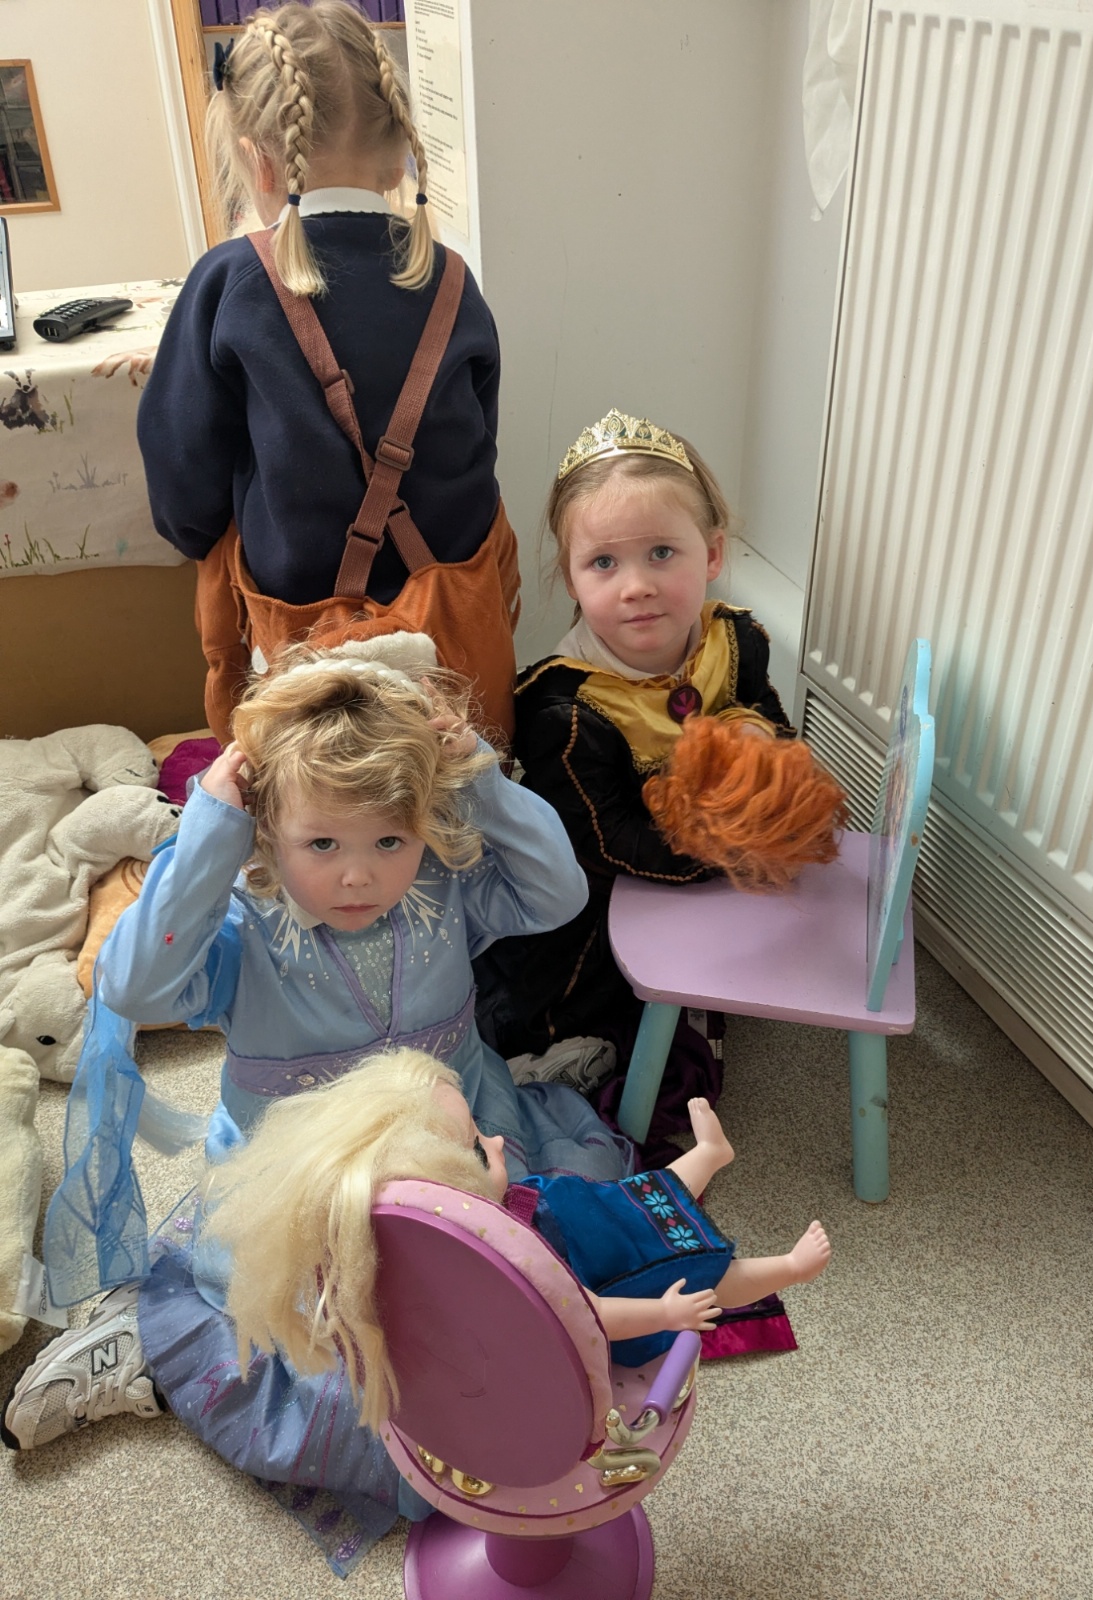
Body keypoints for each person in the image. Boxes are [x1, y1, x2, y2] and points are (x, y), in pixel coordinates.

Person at [3, 642, 632, 1568]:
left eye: (389, 841)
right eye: (322, 844)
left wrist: (481, 778)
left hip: (459, 1142)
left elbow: (560, 890)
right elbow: (131, 988)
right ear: (266, 831)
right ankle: (140, 1348)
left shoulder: (442, 888)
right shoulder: (243, 920)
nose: (357, 877)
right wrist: (210, 830)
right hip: (302, 1189)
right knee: (333, 1358)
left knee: (544, 1285)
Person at [138, 1, 519, 742]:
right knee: (459, 790)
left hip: (304, 658)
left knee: (315, 802)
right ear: (398, 154)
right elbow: (479, 447)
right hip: (454, 648)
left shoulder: (228, 283)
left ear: (257, 159)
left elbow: (184, 506)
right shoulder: (451, 279)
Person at [197, 1047, 832, 1434]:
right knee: (702, 1274)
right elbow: (587, 1314)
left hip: (580, 1220)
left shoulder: (437, 1232)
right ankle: (789, 1268)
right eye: (479, 1149)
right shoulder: (509, 1265)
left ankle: (709, 1156)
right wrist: (665, 1313)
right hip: (609, 1276)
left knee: (641, 1195)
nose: (498, 1141)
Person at [474, 408, 840, 1075]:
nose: (637, 586)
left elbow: (769, 715)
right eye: (603, 563)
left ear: (713, 554)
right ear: (573, 578)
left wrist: (755, 741)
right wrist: (728, 849)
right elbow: (604, 840)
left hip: (696, 857)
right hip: (597, 889)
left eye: (662, 554)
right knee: (563, 992)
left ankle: (704, 979)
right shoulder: (567, 706)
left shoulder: (732, 639)